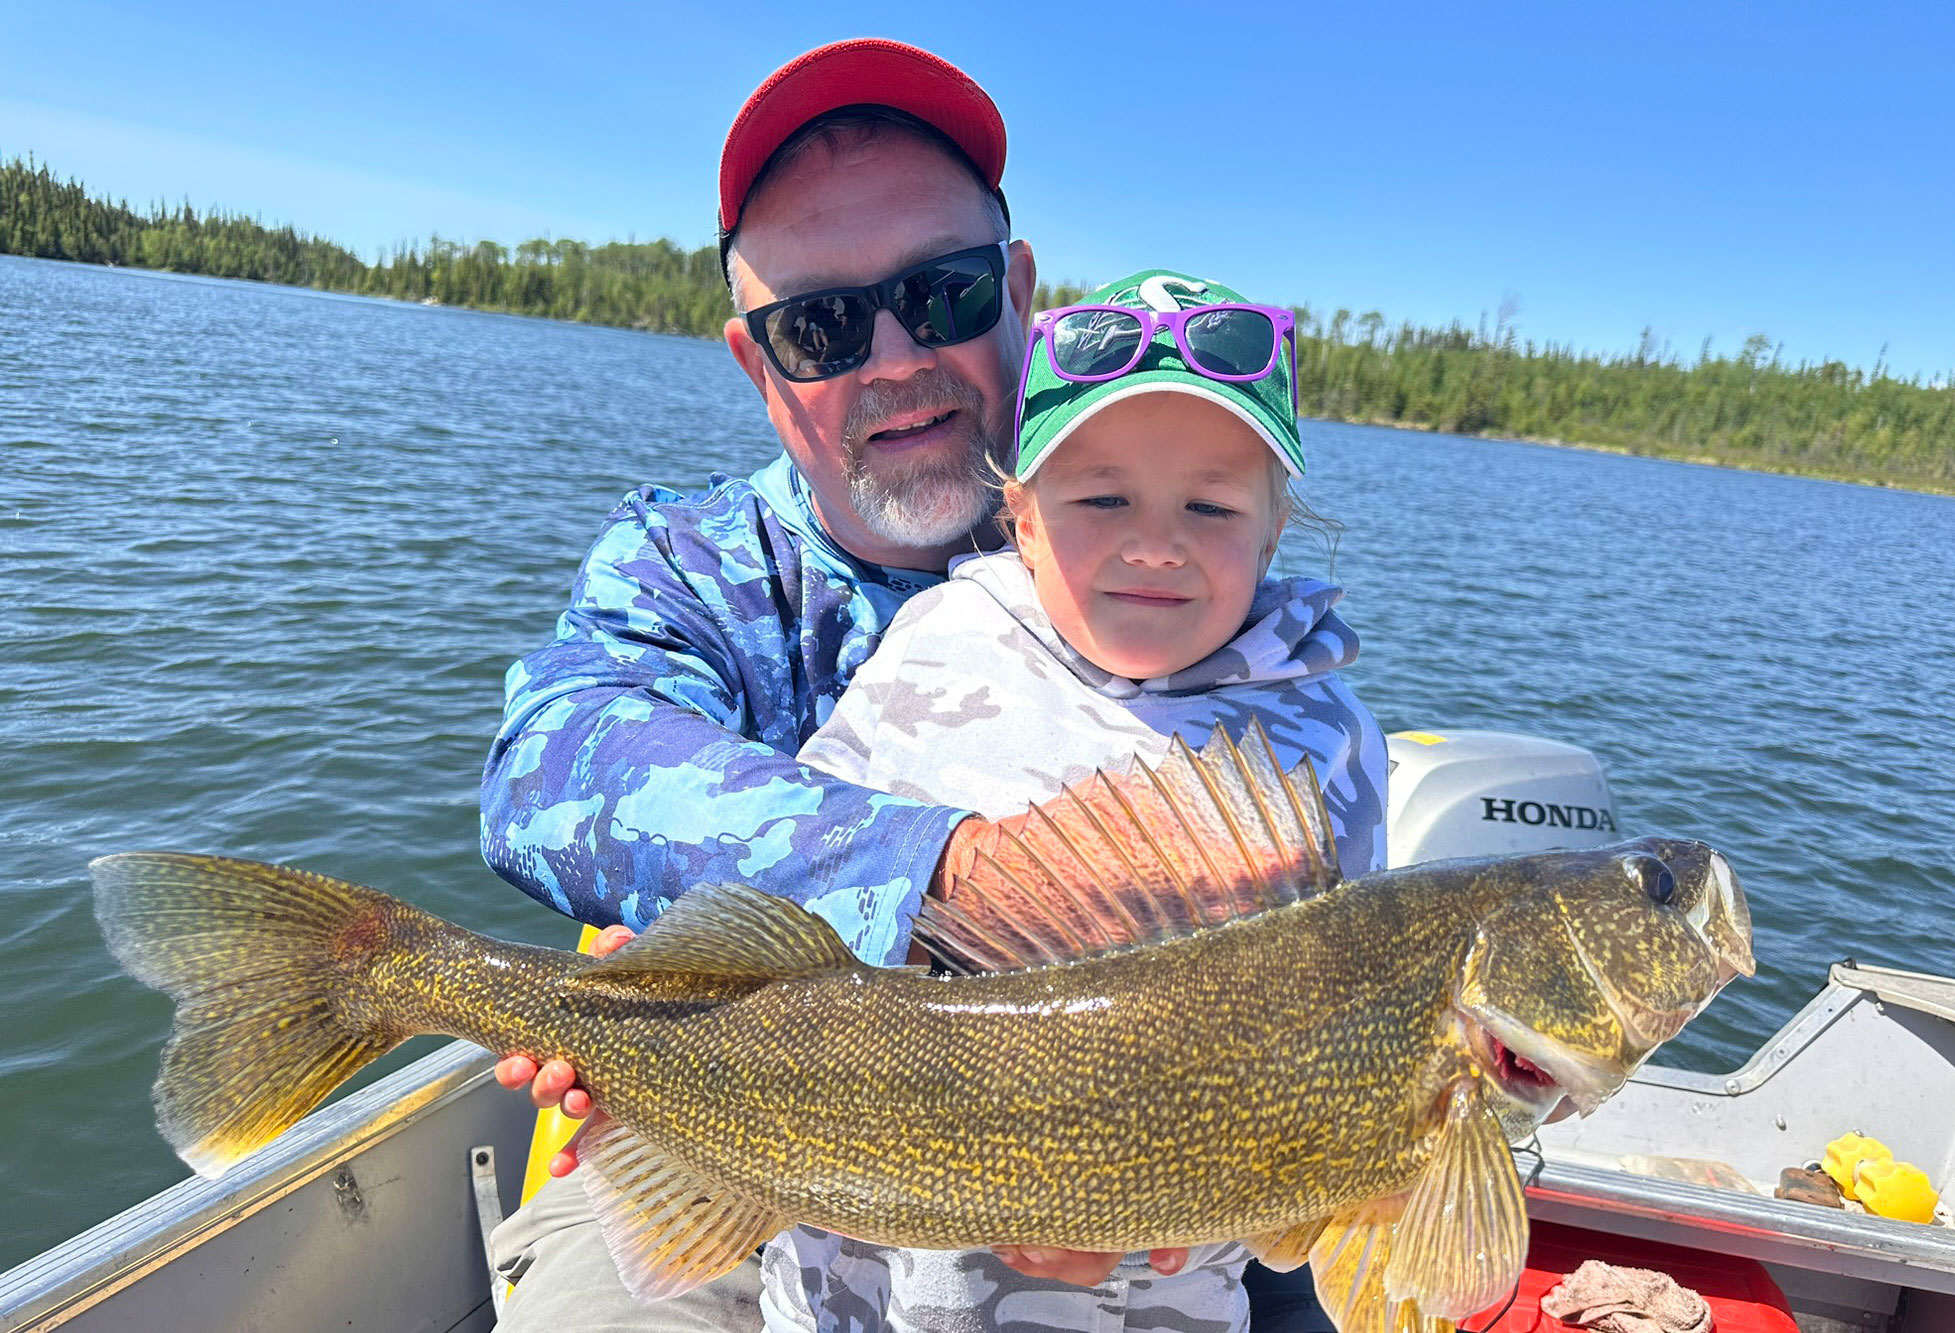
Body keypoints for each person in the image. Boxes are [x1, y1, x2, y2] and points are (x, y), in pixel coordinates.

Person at [481, 39, 1200, 1332]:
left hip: (1117, 1143)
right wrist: (941, 875)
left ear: (1021, 295)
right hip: (720, 1144)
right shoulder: (688, 567)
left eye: (942, 293)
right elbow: (549, 763)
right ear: (759, 367)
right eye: (819, 326)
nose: (889, 359)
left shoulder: (1159, 559)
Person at [759, 266, 1389, 1332]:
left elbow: (1325, 1078)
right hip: (858, 1290)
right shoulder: (931, 653)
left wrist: (1165, 1215)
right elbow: (791, 872)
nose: (1156, 540)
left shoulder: (1321, 749)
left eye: (1211, 504)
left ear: (1274, 529)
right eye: (1101, 498)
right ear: (1021, 515)